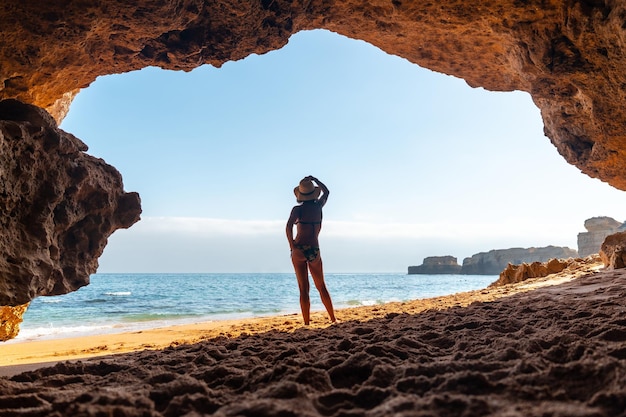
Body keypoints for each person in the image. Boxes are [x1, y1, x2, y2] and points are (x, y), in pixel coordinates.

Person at [286, 176, 336, 325]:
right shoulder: (318, 206)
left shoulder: (298, 210)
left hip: (299, 249)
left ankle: (307, 323)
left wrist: (292, 246)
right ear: (313, 193)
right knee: (321, 287)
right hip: (314, 249)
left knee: (303, 289)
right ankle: (333, 319)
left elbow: (288, 227)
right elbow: (327, 192)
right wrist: (315, 179)